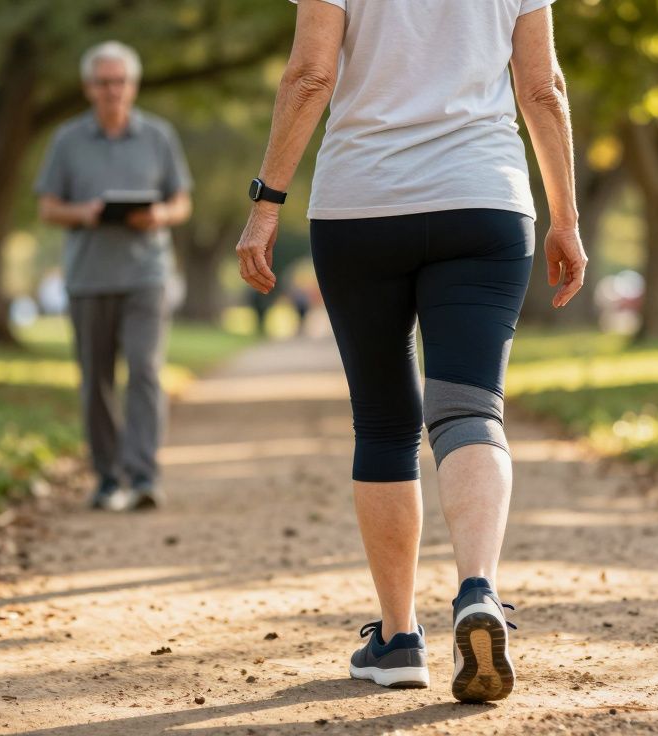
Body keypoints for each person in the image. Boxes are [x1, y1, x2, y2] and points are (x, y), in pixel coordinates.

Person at [235, 0, 586, 703]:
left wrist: (267, 202)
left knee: (387, 424)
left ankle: (397, 640)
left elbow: (309, 75)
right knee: (469, 408)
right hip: (483, 202)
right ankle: (478, 590)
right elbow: (542, 86)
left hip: (362, 205)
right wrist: (566, 217)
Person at [35, 41, 193, 512]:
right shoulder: (67, 140)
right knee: (96, 381)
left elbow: (182, 202)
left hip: (147, 274)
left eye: (120, 81)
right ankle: (108, 478)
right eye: (103, 82)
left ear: (133, 85)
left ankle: (143, 476)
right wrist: (84, 212)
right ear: (89, 88)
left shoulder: (158, 136)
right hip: (88, 279)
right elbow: (46, 207)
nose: (112, 90)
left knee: (144, 371)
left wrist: (159, 215)